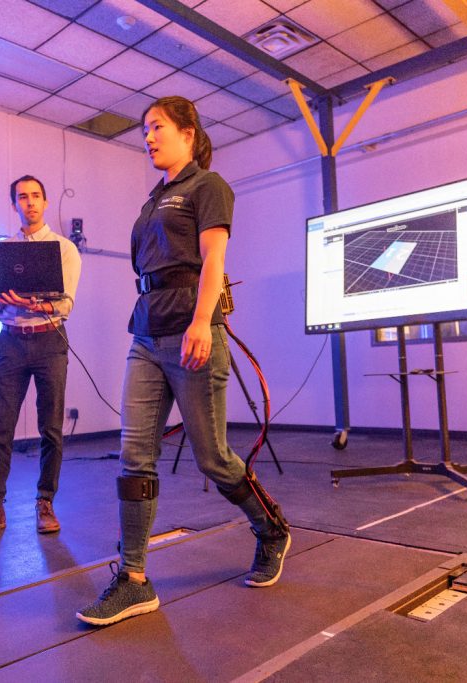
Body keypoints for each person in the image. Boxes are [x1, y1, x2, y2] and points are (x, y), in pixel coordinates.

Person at [76, 97, 290, 627]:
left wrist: (201, 321)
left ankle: (271, 530)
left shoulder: (206, 187)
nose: (147, 137)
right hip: (146, 333)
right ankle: (132, 580)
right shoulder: (153, 201)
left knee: (213, 457)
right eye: (144, 130)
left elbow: (214, 258)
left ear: (188, 133)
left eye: (157, 128)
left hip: (192, 330)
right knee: (134, 455)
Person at [0, 175, 82, 538]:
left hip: (49, 341)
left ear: (46, 201)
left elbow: (65, 303)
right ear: (14, 205)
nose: (30, 203)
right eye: (22, 197)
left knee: (51, 429)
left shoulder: (63, 249)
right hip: (10, 341)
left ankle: (45, 503)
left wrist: (32, 303)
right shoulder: (3, 251)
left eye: (36, 196)